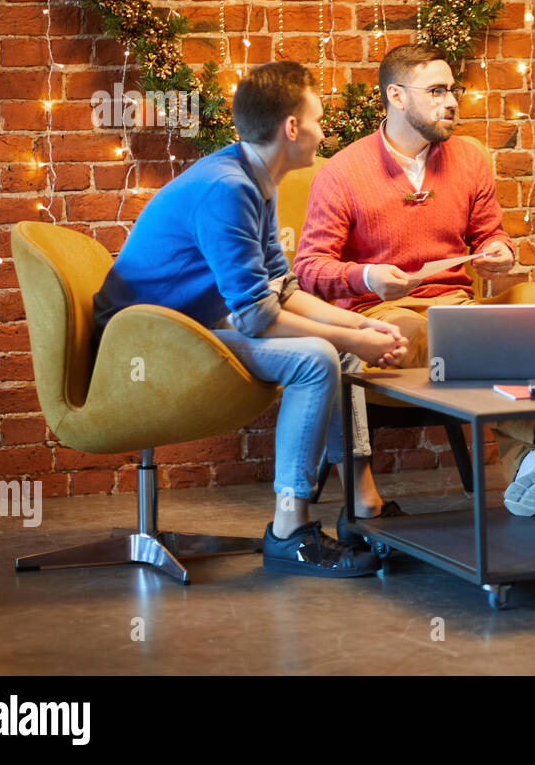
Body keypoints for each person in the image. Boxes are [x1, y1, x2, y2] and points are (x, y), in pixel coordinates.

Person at [92, 61, 408, 578]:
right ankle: (289, 530)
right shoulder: (228, 188)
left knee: (341, 345)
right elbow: (259, 317)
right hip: (142, 344)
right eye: (319, 119)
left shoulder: (255, 178)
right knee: (314, 359)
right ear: (291, 128)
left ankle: (360, 508)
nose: (323, 131)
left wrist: (360, 330)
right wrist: (348, 337)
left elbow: (281, 290)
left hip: (184, 329)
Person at [295, 43, 535, 519]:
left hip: (459, 308)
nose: (452, 102)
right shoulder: (342, 172)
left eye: (453, 90)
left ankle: (529, 464)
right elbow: (309, 269)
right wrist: (367, 277)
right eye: (437, 91)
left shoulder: (468, 159)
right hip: (386, 316)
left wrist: (500, 252)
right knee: (428, 332)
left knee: (530, 303)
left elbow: (491, 234)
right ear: (397, 97)